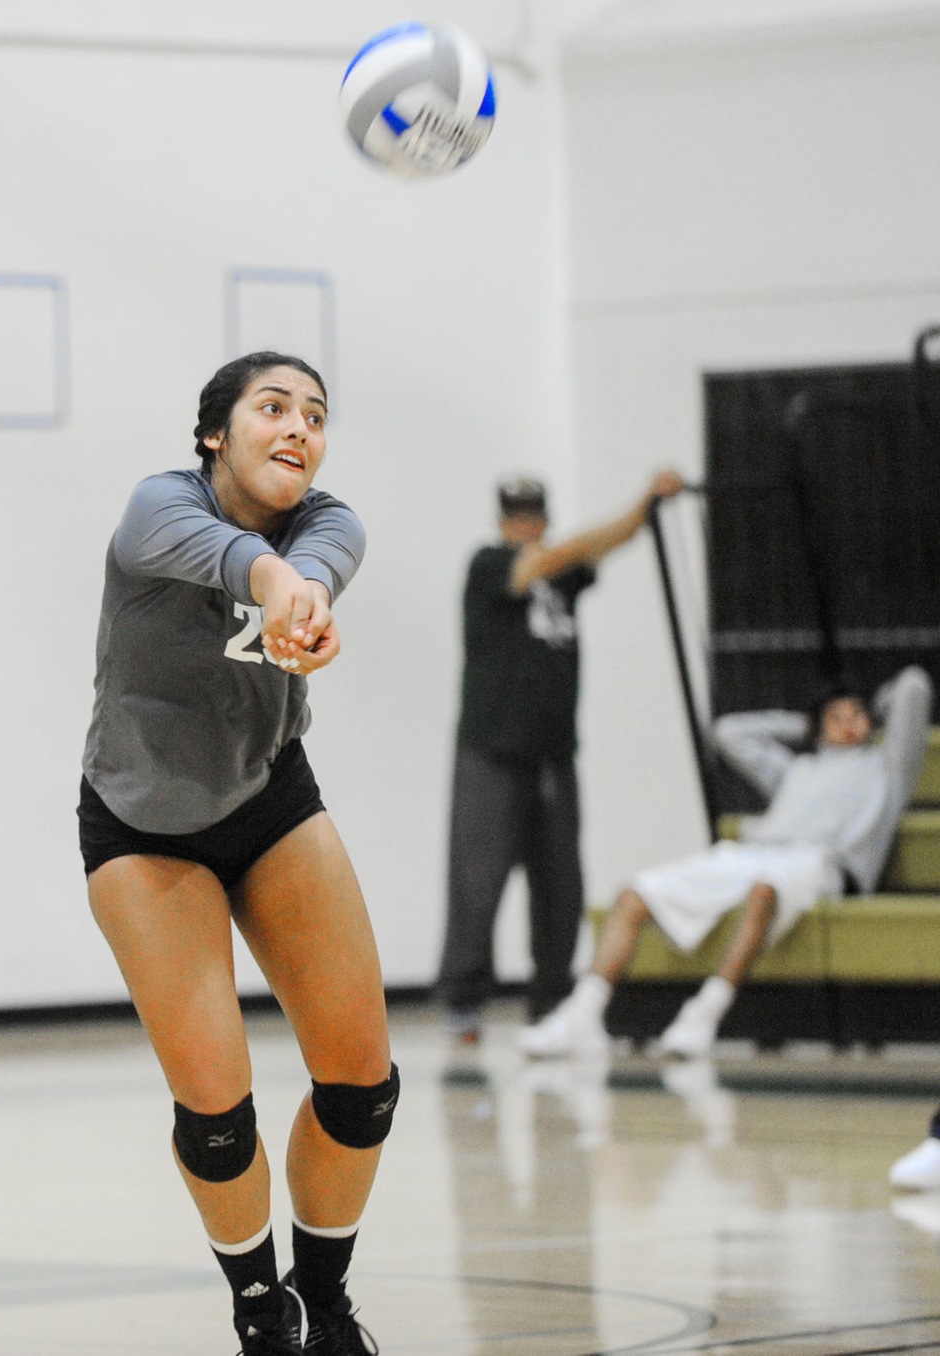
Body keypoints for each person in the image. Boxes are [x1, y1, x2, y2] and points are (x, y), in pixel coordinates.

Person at [79, 353, 396, 1356]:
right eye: (272, 409)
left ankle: (325, 1301)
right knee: (216, 1110)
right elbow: (247, 567)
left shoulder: (326, 522)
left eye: (314, 413)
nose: (297, 427)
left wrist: (306, 598)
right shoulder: (155, 508)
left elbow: (316, 566)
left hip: (267, 799)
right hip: (138, 820)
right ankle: (260, 1310)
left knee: (360, 1086)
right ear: (216, 433)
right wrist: (280, 586)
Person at [521, 665, 933, 1059]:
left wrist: (878, 708)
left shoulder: (887, 769)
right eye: (836, 716)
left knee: (764, 891)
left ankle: (704, 1014)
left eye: (856, 715)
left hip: (820, 863)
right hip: (754, 853)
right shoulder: (796, 770)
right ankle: (583, 1014)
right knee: (634, 893)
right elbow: (728, 732)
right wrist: (804, 724)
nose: (847, 723)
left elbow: (914, 685)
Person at [438, 470, 685, 1044]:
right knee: (477, 881)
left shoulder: (565, 576)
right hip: (490, 754)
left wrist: (642, 514)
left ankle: (551, 1000)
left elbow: (596, 548)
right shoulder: (489, 566)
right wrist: (634, 505)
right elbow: (563, 554)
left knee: (560, 882)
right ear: (502, 521)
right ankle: (464, 1002)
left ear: (544, 517)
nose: (524, 524)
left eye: (533, 515)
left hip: (552, 757)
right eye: (515, 515)